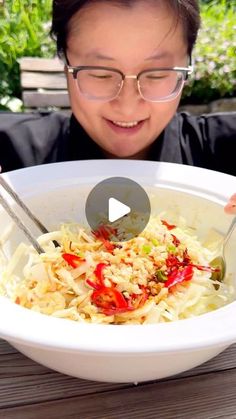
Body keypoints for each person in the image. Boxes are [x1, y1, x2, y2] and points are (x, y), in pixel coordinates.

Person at [0, 0, 235, 212]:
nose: (127, 106)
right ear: (65, 64)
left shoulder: (222, 154)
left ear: (188, 65)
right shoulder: (13, 158)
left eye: (157, 75)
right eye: (101, 74)